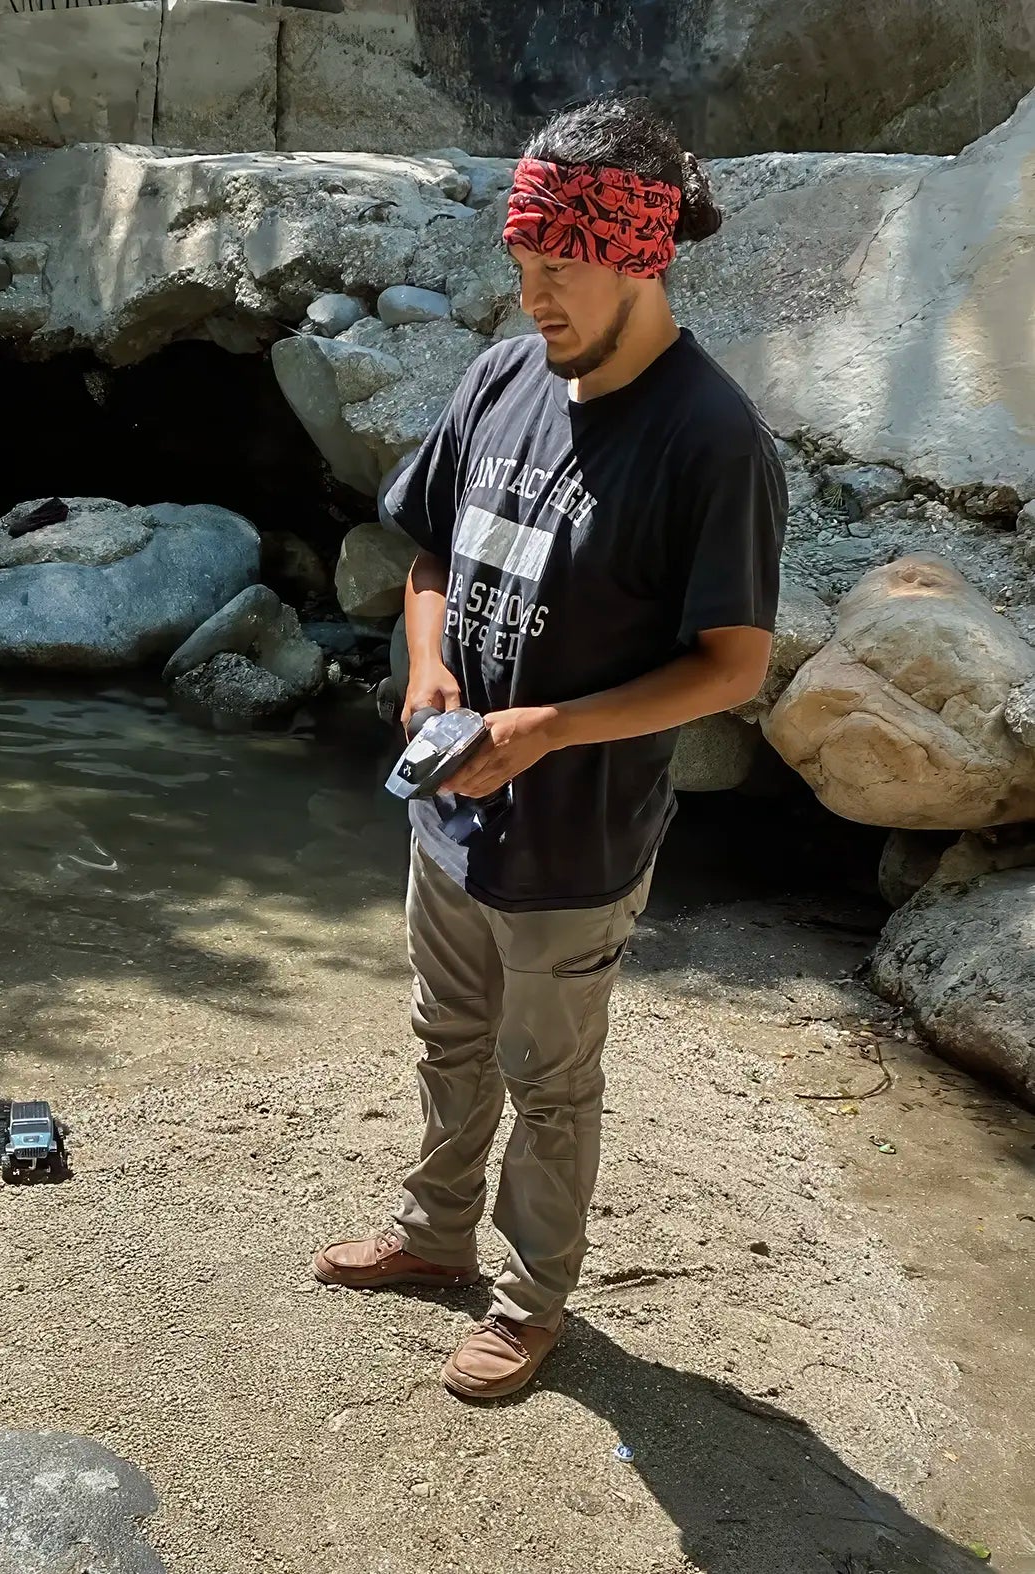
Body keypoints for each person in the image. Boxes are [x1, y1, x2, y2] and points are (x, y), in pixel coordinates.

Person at [312, 95, 788, 1401]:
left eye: (558, 273)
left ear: (641, 255)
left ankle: (528, 1305)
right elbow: (426, 552)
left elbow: (733, 665)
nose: (536, 301)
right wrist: (430, 666)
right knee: (444, 1033)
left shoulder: (715, 442)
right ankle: (429, 1233)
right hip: (450, 807)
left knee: (549, 1075)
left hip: (577, 831)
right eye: (521, 273)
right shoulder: (505, 373)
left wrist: (552, 729)